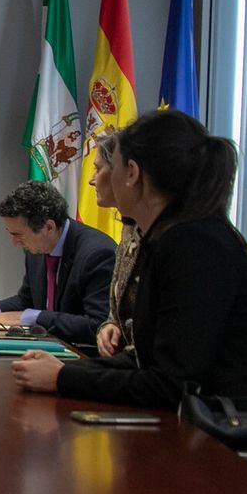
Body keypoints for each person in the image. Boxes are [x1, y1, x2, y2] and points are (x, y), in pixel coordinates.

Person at [13, 110, 247, 407]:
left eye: (112, 166)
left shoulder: (194, 245)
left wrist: (62, 379)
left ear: (132, 173)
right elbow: (144, 362)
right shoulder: (168, 236)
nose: (98, 178)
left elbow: (169, 387)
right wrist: (65, 370)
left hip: (228, 439)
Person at [0, 180, 115, 346]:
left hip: (83, 359)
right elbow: (28, 300)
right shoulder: (37, 248)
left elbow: (97, 326)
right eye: (10, 233)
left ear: (49, 227)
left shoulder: (97, 254)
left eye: (19, 234)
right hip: (45, 350)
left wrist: (33, 317)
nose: (14, 243)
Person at [88, 131, 141, 357]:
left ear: (130, 172)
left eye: (98, 169)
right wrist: (110, 327)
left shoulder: (181, 241)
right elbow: (120, 313)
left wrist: (64, 374)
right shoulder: (131, 228)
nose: (91, 180)